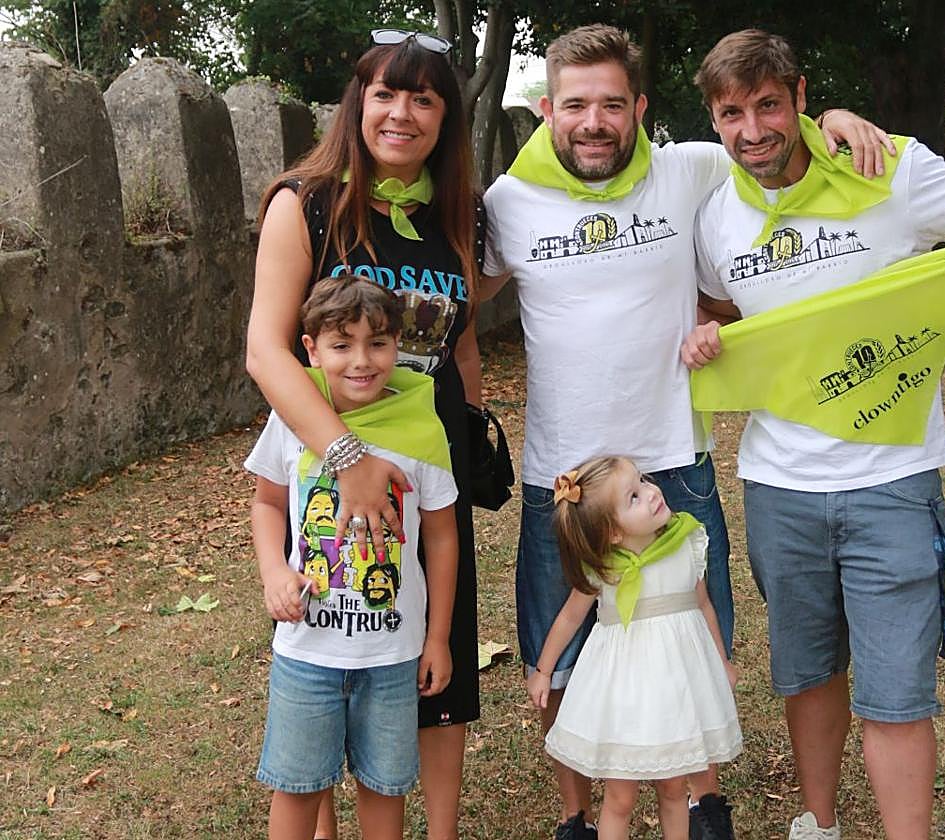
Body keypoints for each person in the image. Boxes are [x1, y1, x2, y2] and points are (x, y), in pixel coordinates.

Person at [480, 23, 893, 840]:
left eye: (609, 104)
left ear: (638, 108)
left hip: (670, 461)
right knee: (560, 652)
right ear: (545, 109)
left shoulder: (691, 169)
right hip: (561, 477)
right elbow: (456, 297)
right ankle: (577, 814)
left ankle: (699, 804)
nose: (592, 122)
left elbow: (773, 152)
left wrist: (833, 119)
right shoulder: (506, 202)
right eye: (574, 105)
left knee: (693, 648)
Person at [681, 30, 945, 840]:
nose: (752, 130)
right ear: (713, 120)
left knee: (895, 691)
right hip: (778, 487)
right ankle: (819, 824)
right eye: (731, 112)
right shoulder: (715, 217)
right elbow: (719, 310)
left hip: (893, 480)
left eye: (768, 104)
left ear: (801, 97)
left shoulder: (891, 166)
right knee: (808, 676)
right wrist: (710, 336)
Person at [245, 30, 484, 840]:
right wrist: (345, 461)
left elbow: (463, 338)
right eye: (385, 92)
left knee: (429, 669)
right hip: (333, 462)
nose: (402, 112)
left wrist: (472, 432)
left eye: (423, 97)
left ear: (445, 116)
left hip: (425, 464)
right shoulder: (305, 201)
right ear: (358, 102)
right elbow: (266, 350)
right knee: (334, 653)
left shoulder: (456, 210)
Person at [246, 276, 458, 840]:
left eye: (378, 343)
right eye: (342, 345)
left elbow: (440, 537)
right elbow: (267, 503)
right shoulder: (292, 420)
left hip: (391, 655)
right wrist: (274, 571)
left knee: (384, 789)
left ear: (398, 346)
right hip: (306, 654)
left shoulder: (421, 427)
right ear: (310, 349)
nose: (362, 361)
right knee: (296, 788)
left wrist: (437, 638)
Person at [527, 457, 741, 840]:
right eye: (634, 497)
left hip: (676, 688)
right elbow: (569, 617)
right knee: (620, 797)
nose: (652, 493)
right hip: (624, 694)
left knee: (674, 788)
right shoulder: (605, 567)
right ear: (612, 533)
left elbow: (704, 605)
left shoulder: (685, 543)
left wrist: (720, 660)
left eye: (643, 482)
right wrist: (543, 670)